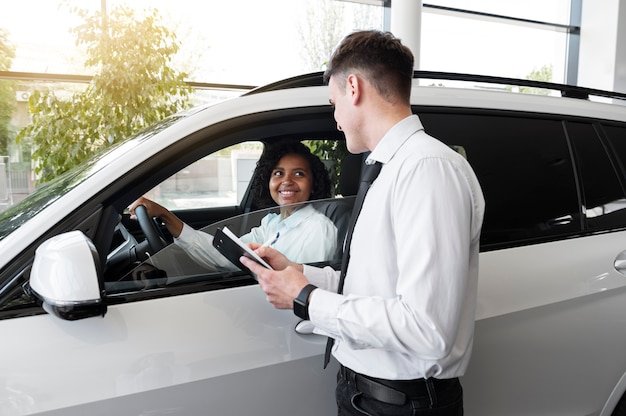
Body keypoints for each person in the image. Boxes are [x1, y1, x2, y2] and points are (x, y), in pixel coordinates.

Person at [241, 30, 485, 415]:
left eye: (333, 103)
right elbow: (378, 288)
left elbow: (427, 329)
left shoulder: (426, 169)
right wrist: (302, 274)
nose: (335, 120)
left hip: (400, 404)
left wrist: (306, 299)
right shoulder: (390, 168)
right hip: (368, 394)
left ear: (353, 87)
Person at [130, 140, 338, 267]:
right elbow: (226, 256)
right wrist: (166, 216)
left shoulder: (318, 229)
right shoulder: (271, 224)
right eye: (278, 173)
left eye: (299, 174)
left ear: (313, 183)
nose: (286, 181)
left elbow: (303, 293)